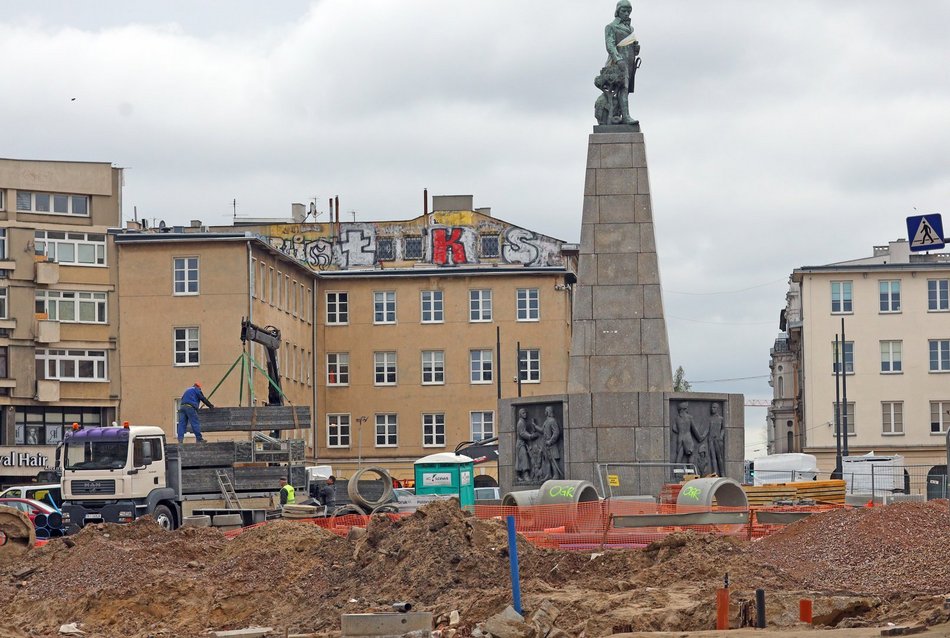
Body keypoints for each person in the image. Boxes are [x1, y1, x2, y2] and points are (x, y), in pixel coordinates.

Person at [603, 0, 640, 125]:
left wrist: (636, 48)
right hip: (617, 63)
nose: (626, 14)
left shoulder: (630, 28)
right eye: (623, 11)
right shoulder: (611, 27)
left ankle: (619, 114)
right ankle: (626, 117)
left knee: (626, 90)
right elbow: (610, 45)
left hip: (629, 62)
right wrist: (618, 59)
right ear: (617, 11)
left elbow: (631, 47)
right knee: (623, 88)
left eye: (628, 11)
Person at [515, 409, 539, 483]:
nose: (525, 414)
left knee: (522, 459)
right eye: (523, 413)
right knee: (524, 459)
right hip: (520, 444)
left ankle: (520, 475)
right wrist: (531, 436)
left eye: (525, 412)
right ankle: (525, 475)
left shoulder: (523, 422)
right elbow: (522, 433)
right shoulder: (520, 422)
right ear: (520, 414)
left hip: (523, 443)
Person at [541, 406, 563, 481]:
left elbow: (556, 432)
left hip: (551, 444)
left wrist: (550, 441)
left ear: (548, 412)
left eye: (545, 411)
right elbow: (542, 430)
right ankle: (548, 475)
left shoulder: (552, 421)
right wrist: (535, 426)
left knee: (553, 461)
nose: (544, 412)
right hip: (546, 445)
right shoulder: (546, 421)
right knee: (548, 460)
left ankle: (556, 475)